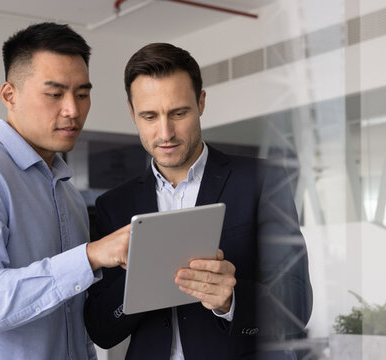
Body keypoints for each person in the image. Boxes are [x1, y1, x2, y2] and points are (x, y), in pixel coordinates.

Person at [84, 43, 312, 359]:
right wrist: (138, 283)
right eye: (149, 116)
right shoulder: (115, 205)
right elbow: (101, 330)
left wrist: (231, 301)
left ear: (201, 102)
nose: (165, 133)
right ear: (132, 112)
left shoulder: (262, 182)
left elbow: (297, 306)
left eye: (179, 113)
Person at [0, 22, 130, 360]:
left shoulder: (68, 196)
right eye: (54, 94)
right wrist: (89, 256)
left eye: (82, 93)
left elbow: (71, 325)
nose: (73, 110)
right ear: (9, 95)